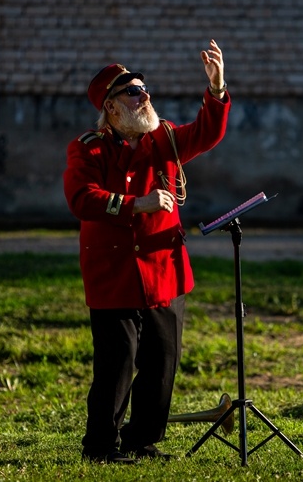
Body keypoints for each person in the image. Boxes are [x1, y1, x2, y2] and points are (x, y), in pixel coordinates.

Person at [62, 40, 230, 464]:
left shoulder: (164, 139)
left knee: (162, 361)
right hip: (115, 273)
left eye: (144, 88)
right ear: (112, 108)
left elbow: (207, 133)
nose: (145, 95)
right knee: (117, 365)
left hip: (164, 271)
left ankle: (143, 439)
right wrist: (137, 203)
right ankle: (100, 446)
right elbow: (82, 198)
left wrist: (216, 88)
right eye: (134, 92)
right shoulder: (88, 148)